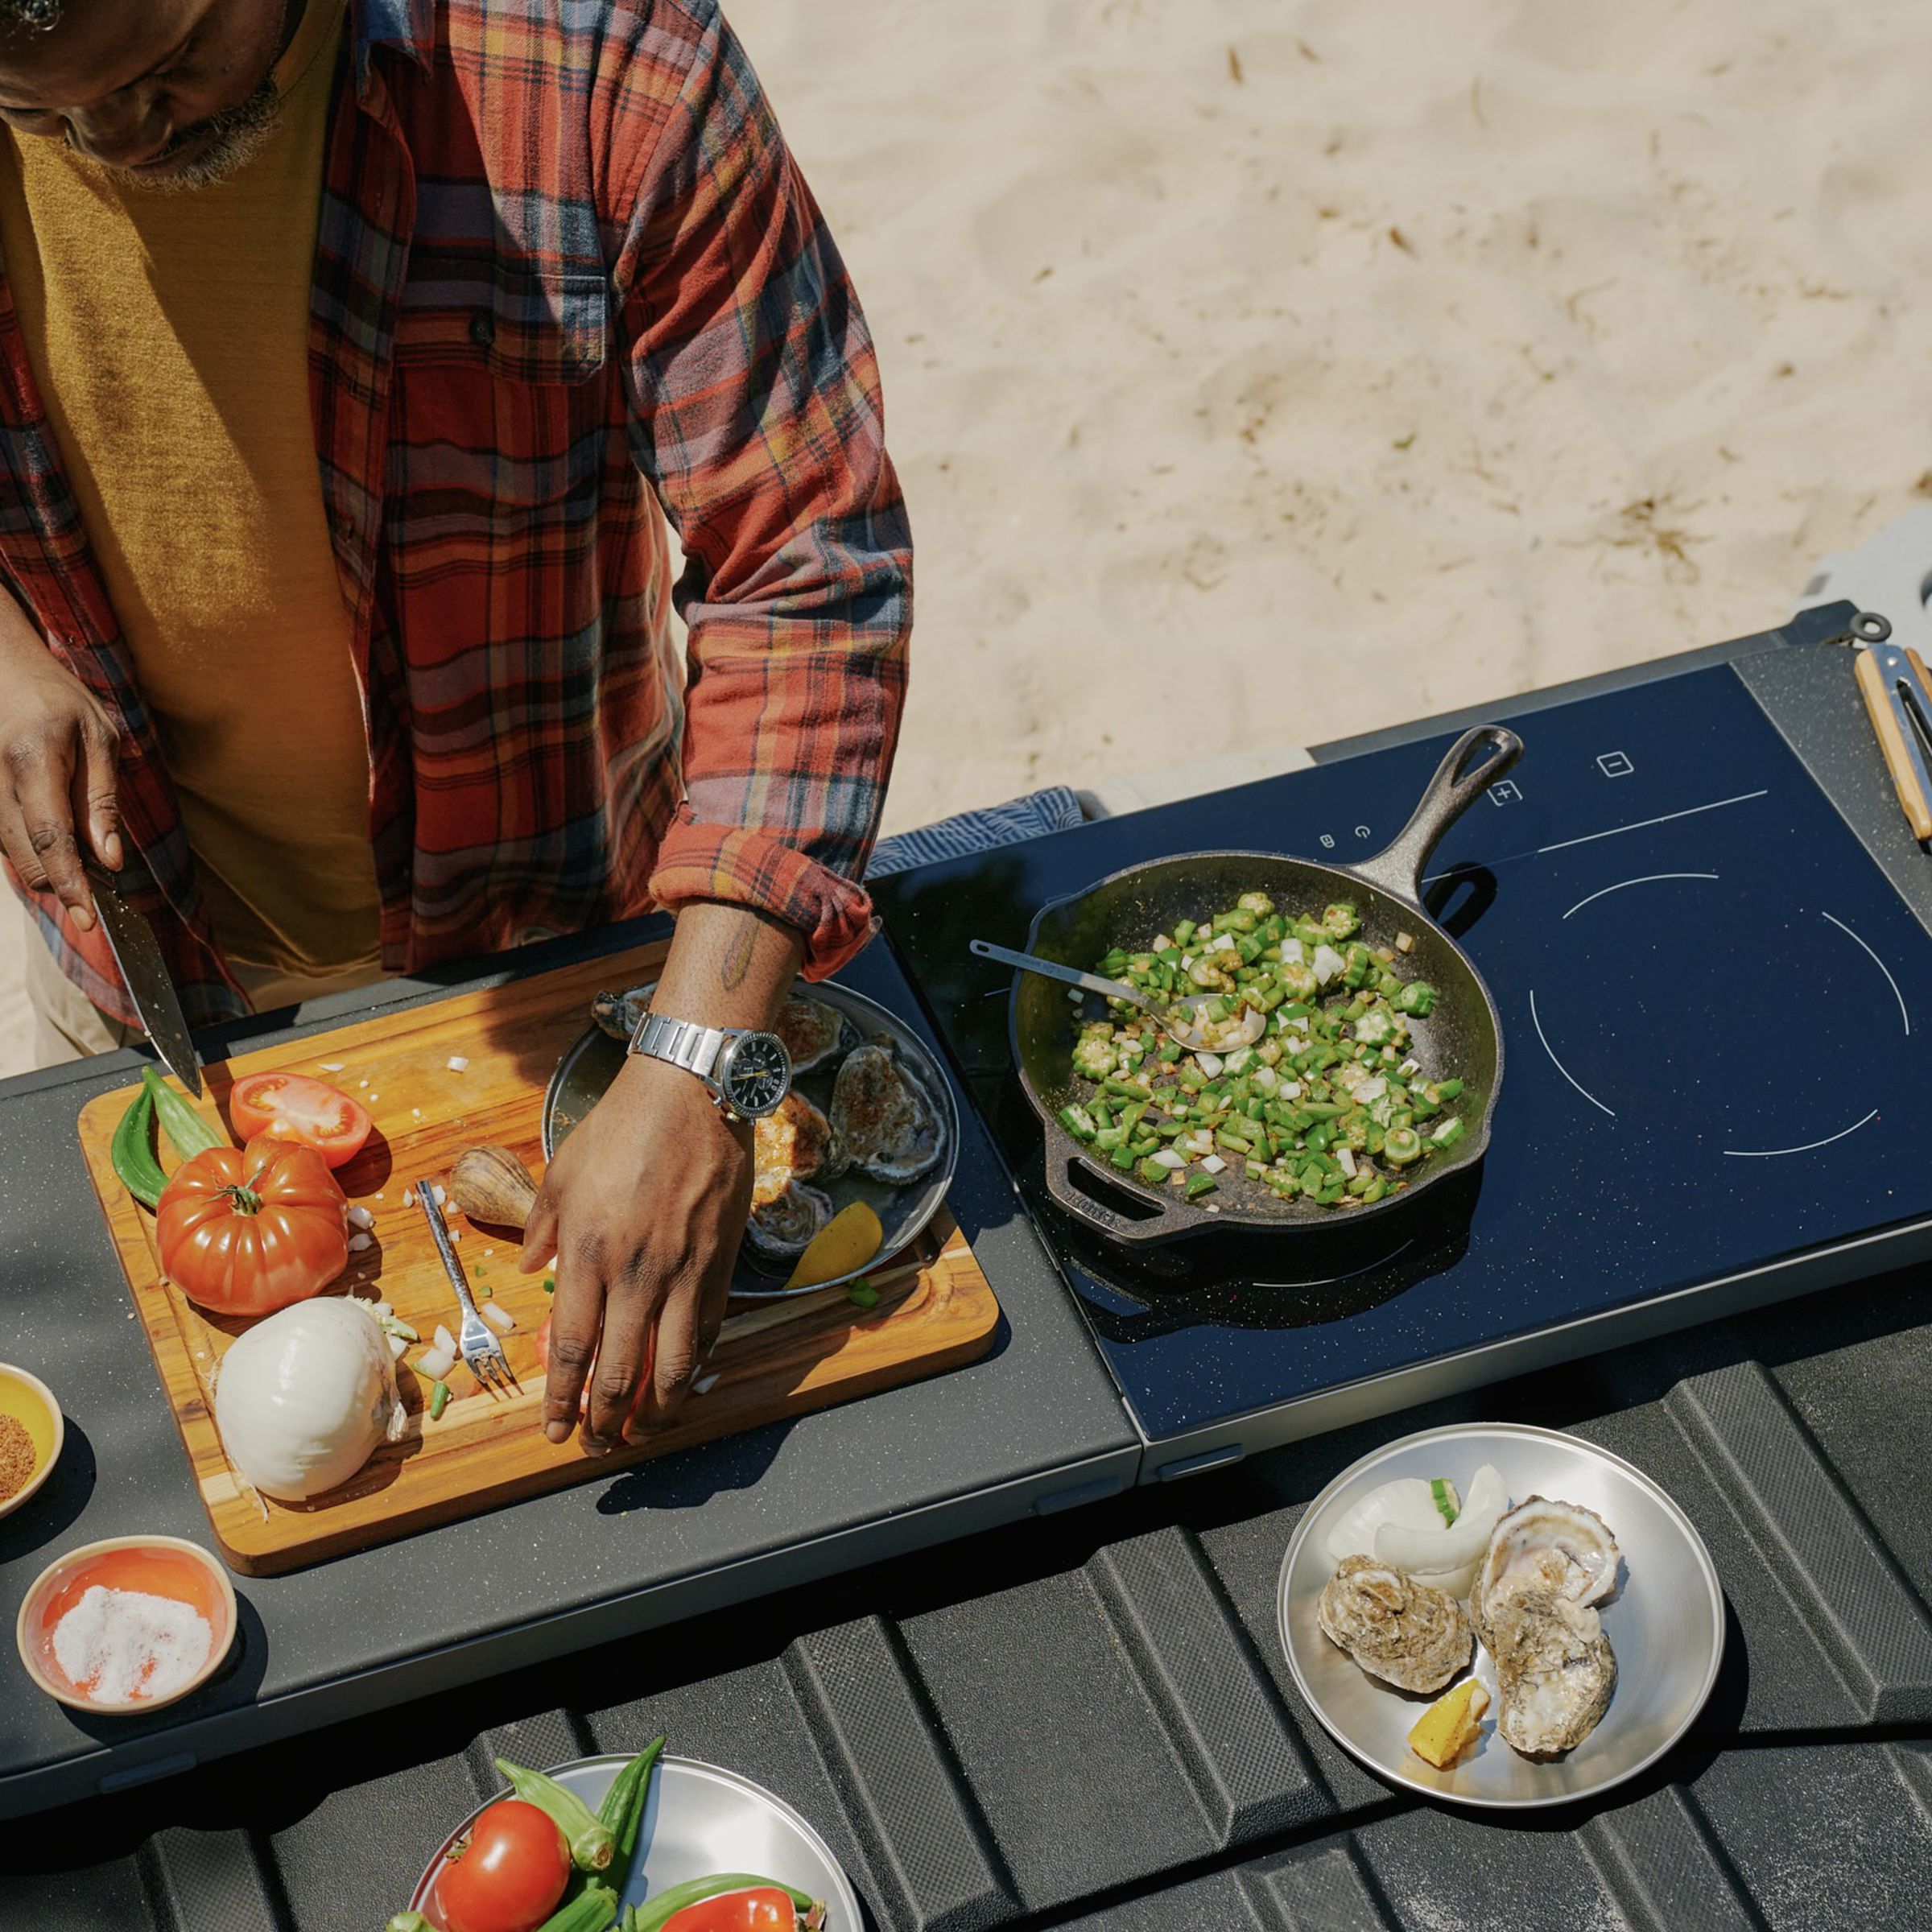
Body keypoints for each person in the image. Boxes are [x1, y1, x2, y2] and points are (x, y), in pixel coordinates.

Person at [0, 0, 911, 1454]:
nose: (114, 140)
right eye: (39, 111)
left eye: (168, 72)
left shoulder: (604, 57)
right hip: (133, 938)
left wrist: (693, 1063)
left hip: (566, 944)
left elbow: (804, 561)